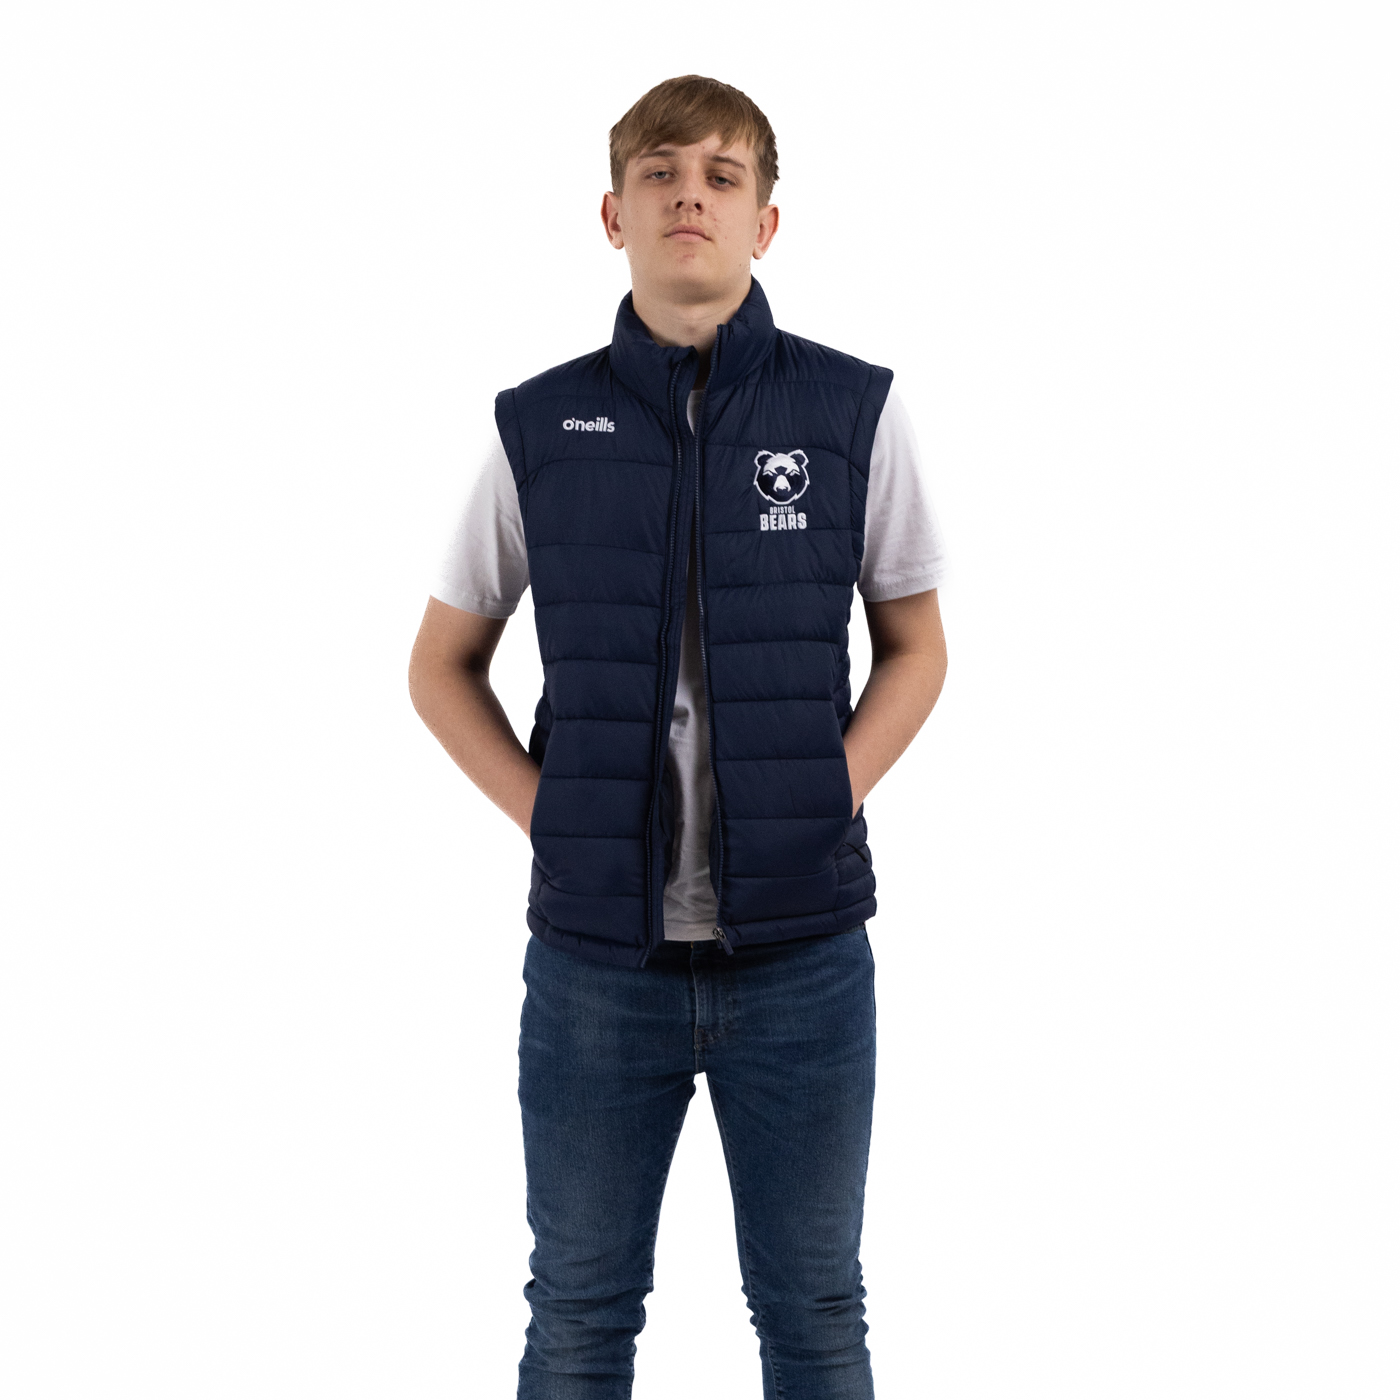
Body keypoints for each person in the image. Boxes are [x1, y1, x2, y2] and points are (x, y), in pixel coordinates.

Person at [409, 74, 949, 1400]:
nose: (688, 195)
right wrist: (552, 815)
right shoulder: (540, 426)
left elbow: (918, 647)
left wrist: (828, 792)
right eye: (659, 173)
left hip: (805, 962)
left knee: (815, 1311)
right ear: (614, 214)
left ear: (767, 222)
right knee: (578, 1314)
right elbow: (440, 667)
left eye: (720, 174)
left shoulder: (852, 412)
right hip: (597, 968)